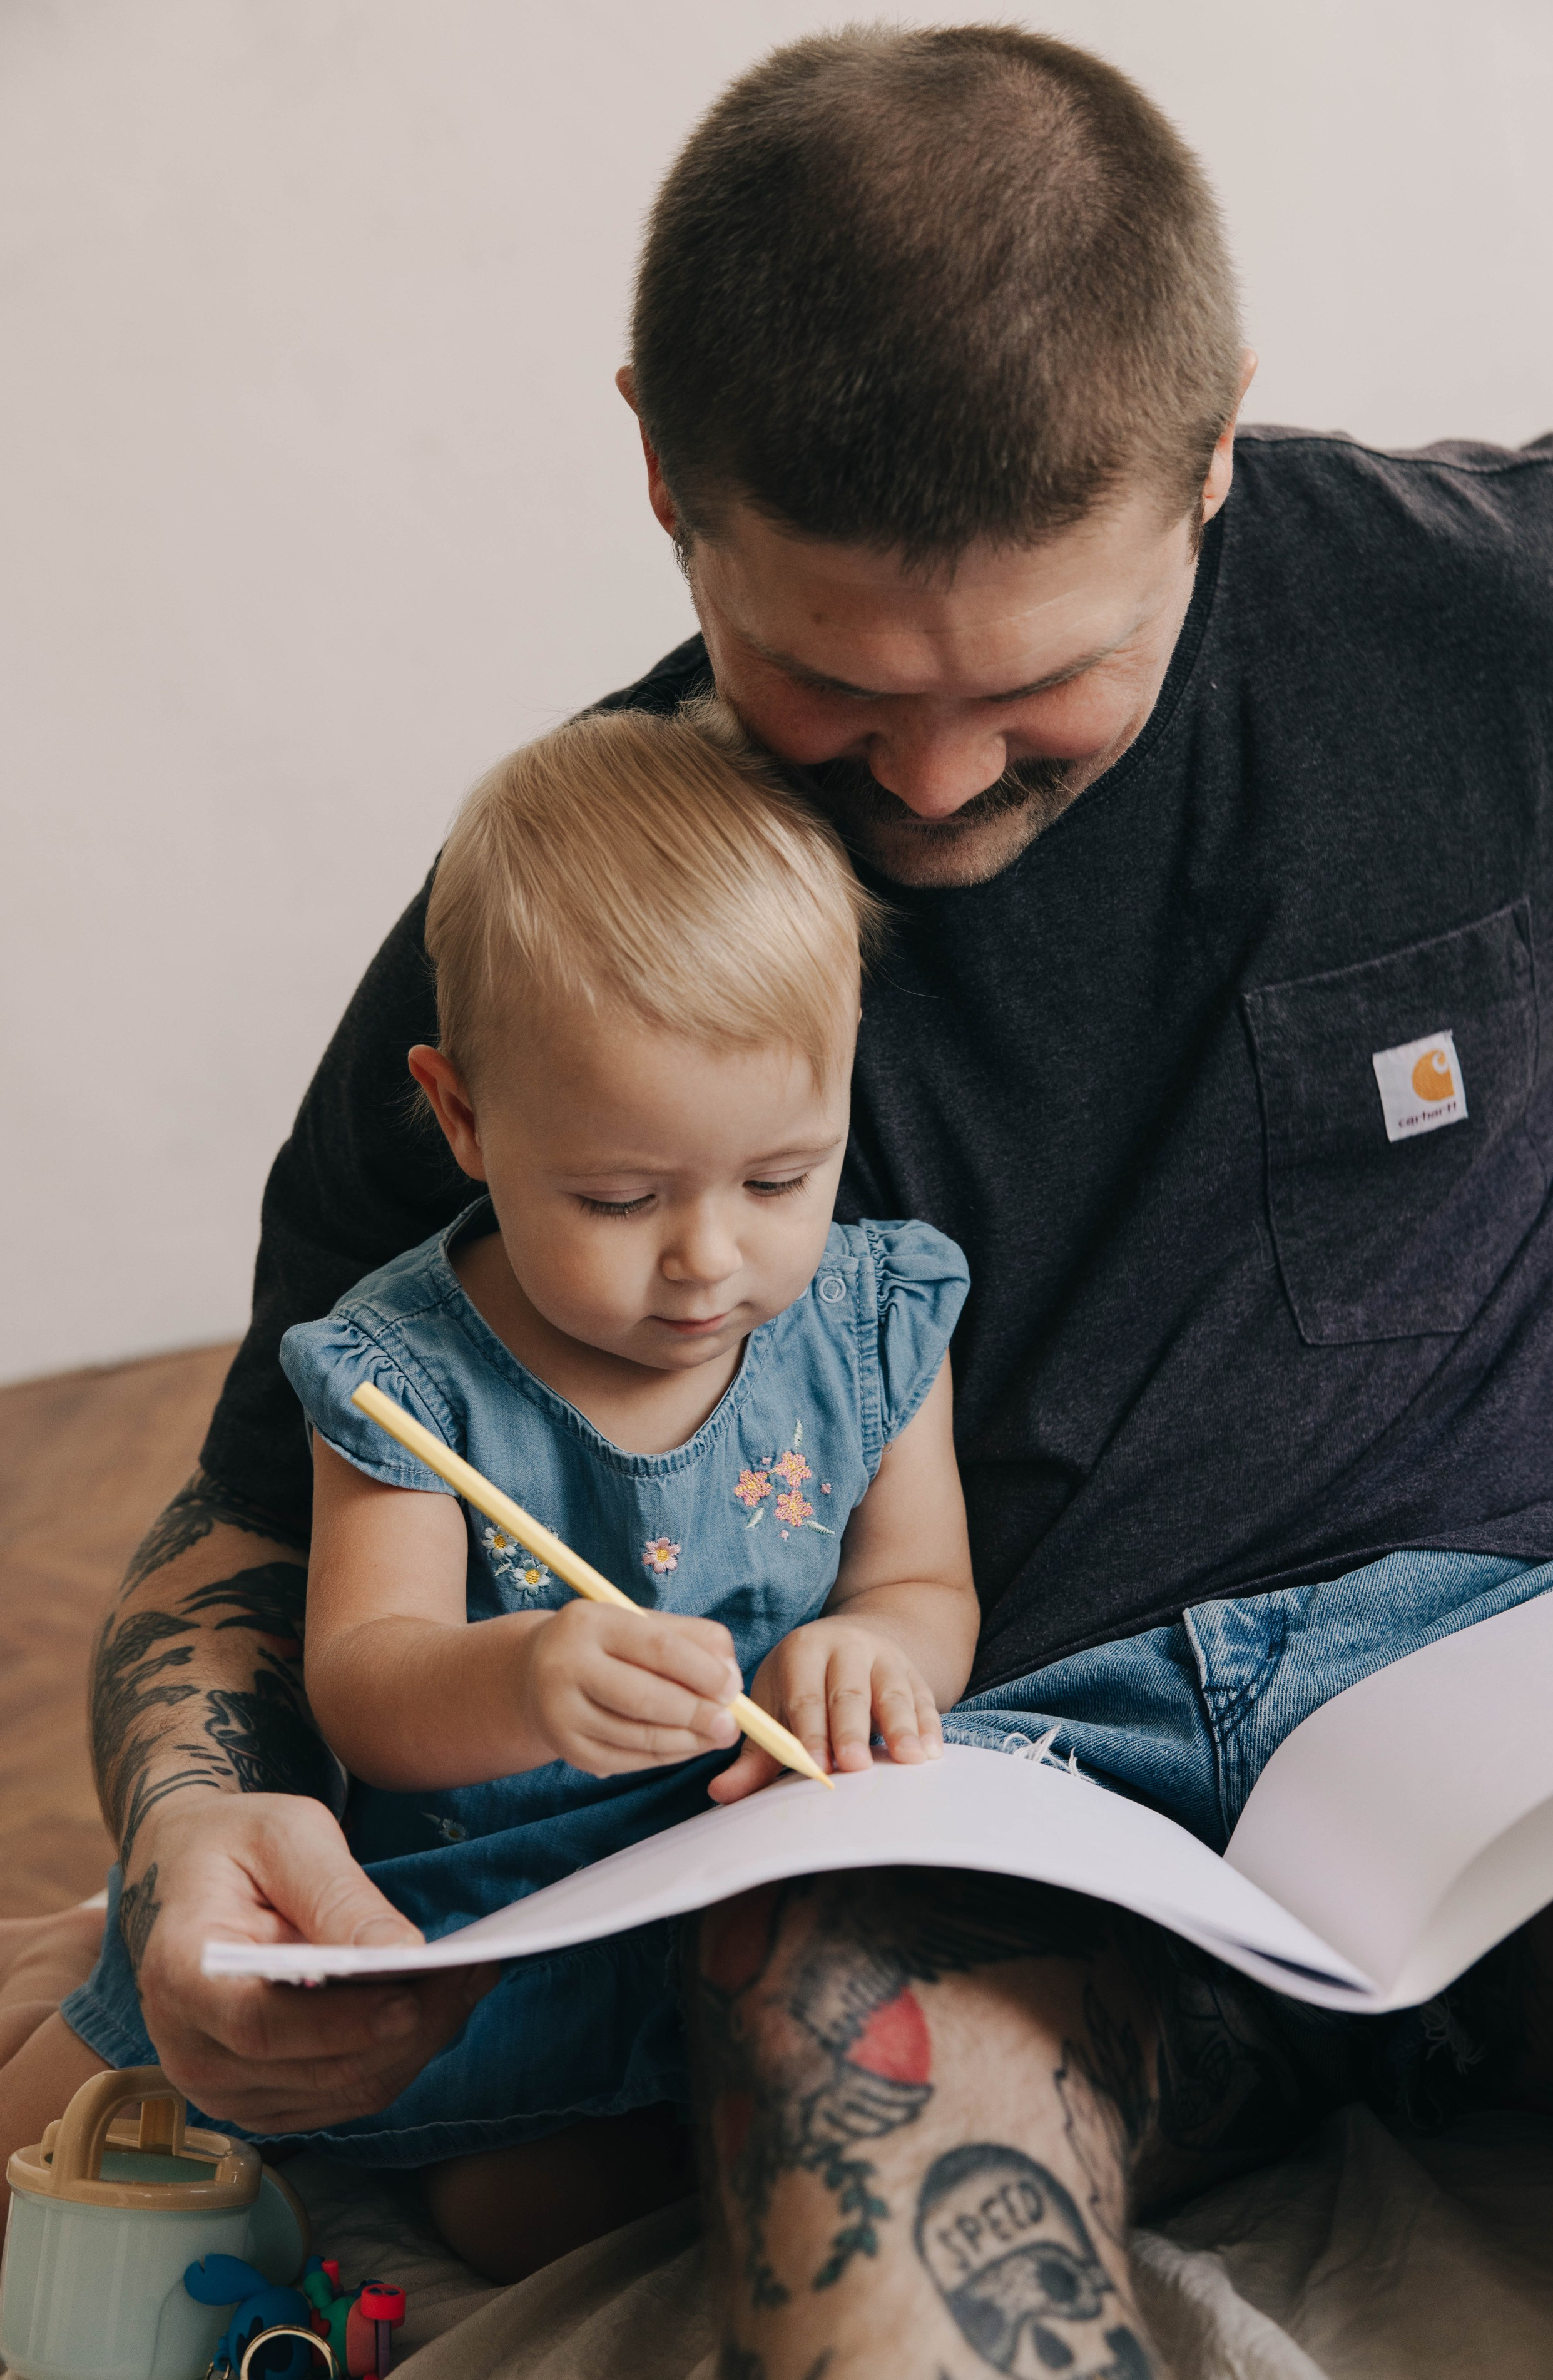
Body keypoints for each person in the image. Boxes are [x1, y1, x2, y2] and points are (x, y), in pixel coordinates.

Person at [3, 20, 1553, 2380]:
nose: (934, 781)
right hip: (1010, 1838)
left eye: (1047, 682)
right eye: (827, 683)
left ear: (1212, 450)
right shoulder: (572, 961)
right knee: (825, 2034)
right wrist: (195, 1815)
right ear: (659, 466)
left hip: (1521, 1710)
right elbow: (260, 1514)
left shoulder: (1504, 623)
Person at [3, 706, 980, 2278]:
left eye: (780, 1176)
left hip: (658, 1925)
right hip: (409, 1912)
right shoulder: (408, 1367)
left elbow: (923, 1587)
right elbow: (368, 1683)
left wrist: (875, 1655)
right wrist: (525, 1673)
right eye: (615, 1196)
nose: (708, 1257)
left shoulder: (873, 1323)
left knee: (564, 2233)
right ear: (461, 1116)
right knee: (61, 2143)